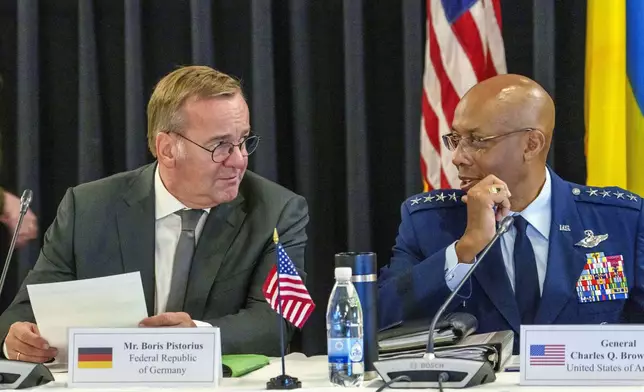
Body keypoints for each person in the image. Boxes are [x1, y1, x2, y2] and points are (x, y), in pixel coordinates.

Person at [0, 65, 309, 362]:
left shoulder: (275, 211)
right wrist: (14, 338)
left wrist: (197, 336)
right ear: (167, 149)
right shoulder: (89, 208)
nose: (239, 160)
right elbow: (24, 312)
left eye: (243, 141)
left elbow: (276, 322)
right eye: (221, 145)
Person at [377, 74, 644, 354]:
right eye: (455, 139)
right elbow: (376, 320)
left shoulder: (621, 220)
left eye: (476, 140)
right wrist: (465, 249)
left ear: (532, 145)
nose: (457, 156)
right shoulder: (429, 222)